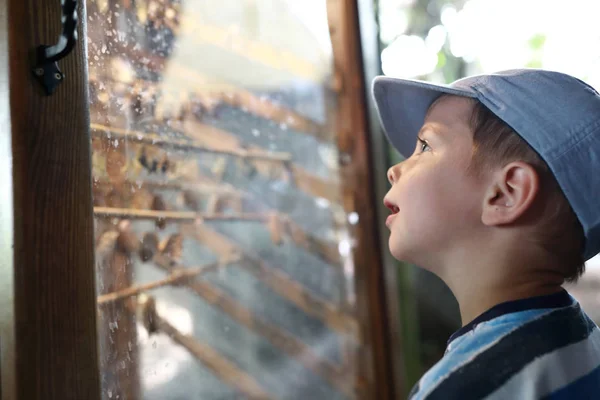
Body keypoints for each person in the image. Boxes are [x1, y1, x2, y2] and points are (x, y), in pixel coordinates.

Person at [372, 69, 600, 399]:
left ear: (506, 193)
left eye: (424, 146)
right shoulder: (585, 345)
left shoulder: (461, 389)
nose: (395, 171)